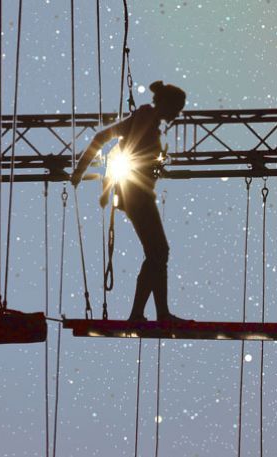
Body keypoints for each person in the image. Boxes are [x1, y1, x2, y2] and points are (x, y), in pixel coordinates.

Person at [71, 81, 187, 323]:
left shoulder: (150, 122)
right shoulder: (146, 115)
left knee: (157, 254)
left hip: (135, 192)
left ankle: (151, 313)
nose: (178, 114)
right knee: (159, 252)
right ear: (166, 103)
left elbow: (109, 140)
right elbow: (104, 137)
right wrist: (79, 171)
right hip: (136, 193)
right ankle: (152, 314)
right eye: (177, 108)